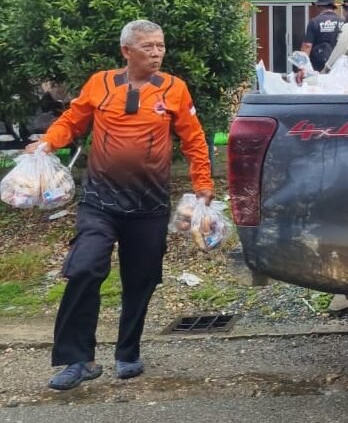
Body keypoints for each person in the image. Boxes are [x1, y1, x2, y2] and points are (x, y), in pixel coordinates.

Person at [28, 20, 214, 391]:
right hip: (100, 201)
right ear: (126, 51)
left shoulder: (175, 89)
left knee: (141, 280)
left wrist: (203, 185)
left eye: (160, 46)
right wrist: (48, 143)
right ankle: (76, 359)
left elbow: (193, 138)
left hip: (149, 204)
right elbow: (73, 120)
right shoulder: (101, 83)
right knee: (83, 269)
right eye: (148, 46)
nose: (157, 52)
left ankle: (127, 353)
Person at [302, 0, 344, 72]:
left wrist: (303, 67)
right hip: (336, 64)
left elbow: (307, 46)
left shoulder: (314, 22)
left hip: (318, 64)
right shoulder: (342, 22)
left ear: (319, 6)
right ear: (333, 7)